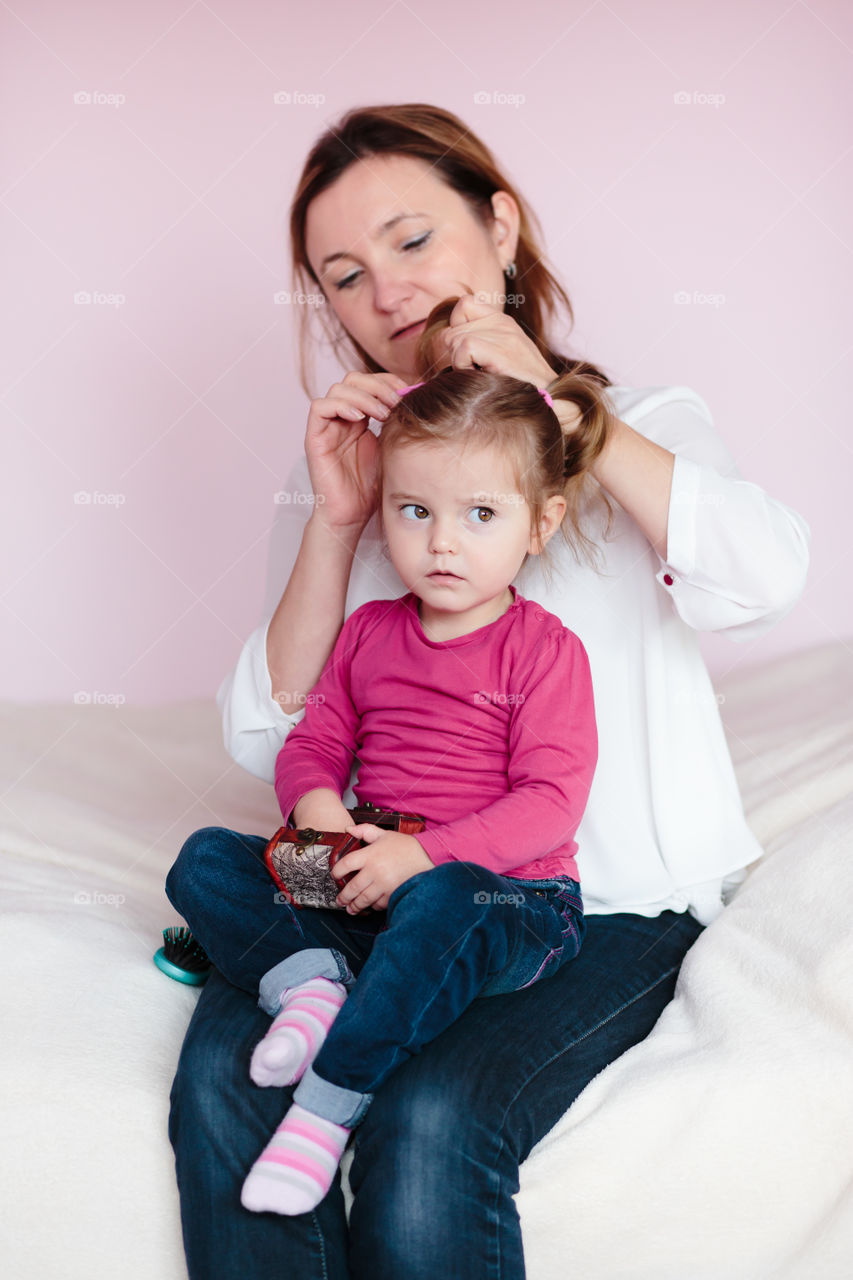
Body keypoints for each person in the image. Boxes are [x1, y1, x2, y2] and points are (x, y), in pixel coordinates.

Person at [165, 103, 810, 1280]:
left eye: (413, 241)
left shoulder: (643, 430)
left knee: (429, 1124)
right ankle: (309, 987)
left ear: (500, 228)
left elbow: (761, 574)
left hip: (585, 907)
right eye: (344, 276)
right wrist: (339, 520)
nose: (387, 294)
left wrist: (568, 409)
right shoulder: (366, 487)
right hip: (380, 883)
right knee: (226, 1076)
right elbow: (268, 733)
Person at [237, 352, 611, 1217]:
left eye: (480, 514)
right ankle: (314, 985)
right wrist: (319, 811)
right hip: (368, 871)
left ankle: (324, 1111)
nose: (442, 541)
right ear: (384, 516)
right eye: (414, 511)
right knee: (213, 861)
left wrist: (424, 857)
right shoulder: (370, 632)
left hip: (507, 898)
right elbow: (314, 741)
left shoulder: (544, 652)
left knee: (445, 906)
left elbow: (550, 803)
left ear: (540, 524)